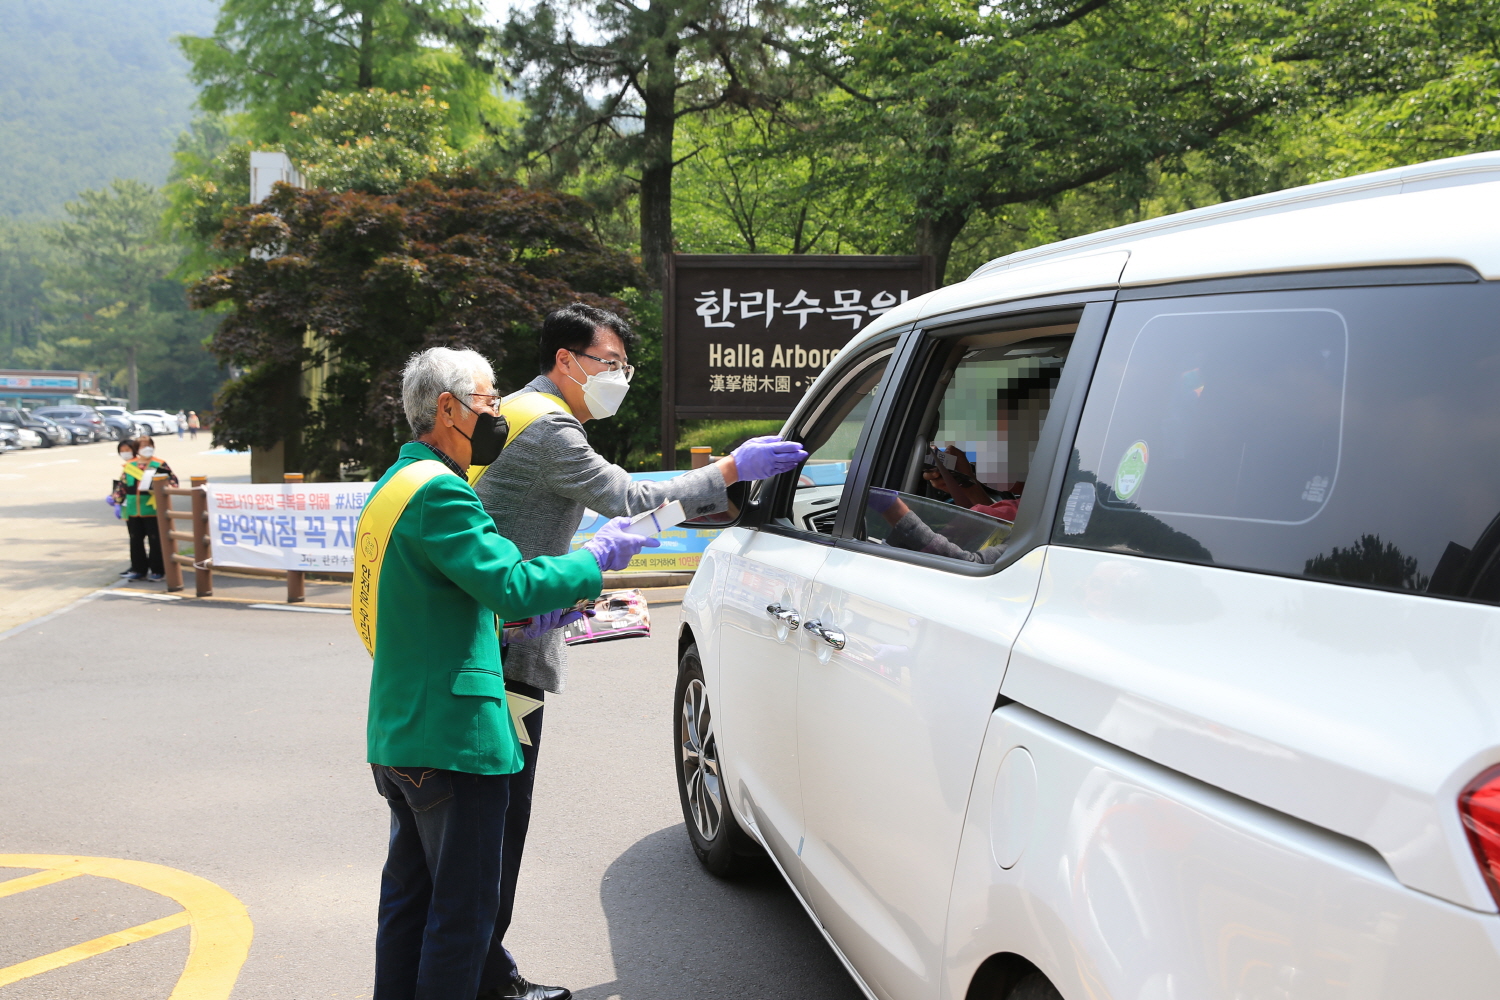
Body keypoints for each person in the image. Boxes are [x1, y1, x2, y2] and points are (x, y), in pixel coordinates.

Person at [472, 304, 806, 1000]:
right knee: (498, 819)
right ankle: (483, 977)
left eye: (625, 365)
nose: (618, 376)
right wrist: (730, 467)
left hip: (496, 632)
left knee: (486, 820)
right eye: (609, 362)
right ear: (566, 360)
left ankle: (482, 966)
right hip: (506, 655)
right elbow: (630, 497)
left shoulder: (517, 412)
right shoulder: (549, 427)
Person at [362, 346, 657, 1000]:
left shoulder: (394, 487)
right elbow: (514, 583)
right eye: (489, 404)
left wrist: (544, 619)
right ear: (447, 410)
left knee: (408, 904)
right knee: (462, 918)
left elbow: (432, 605)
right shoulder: (444, 496)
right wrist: (597, 556)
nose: (497, 415)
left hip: (399, 731)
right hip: (456, 740)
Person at [113, 436, 177, 581]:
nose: (146, 448)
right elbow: (122, 486)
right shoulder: (130, 465)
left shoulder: (159, 464)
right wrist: (116, 501)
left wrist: (165, 487)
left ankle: (157, 570)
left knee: (155, 540)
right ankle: (138, 569)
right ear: (137, 449)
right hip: (133, 509)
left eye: (148, 445)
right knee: (135, 540)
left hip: (153, 509)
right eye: (142, 446)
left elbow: (173, 481)